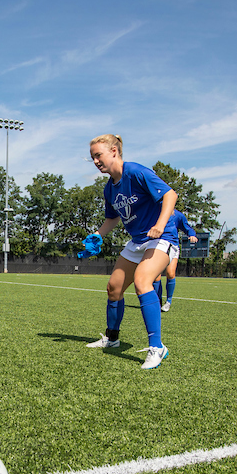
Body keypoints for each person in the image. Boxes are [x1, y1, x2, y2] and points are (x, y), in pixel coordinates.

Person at [83, 135, 179, 369]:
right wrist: (97, 235)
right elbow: (112, 218)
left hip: (161, 237)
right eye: (92, 157)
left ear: (114, 151)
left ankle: (157, 347)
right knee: (113, 288)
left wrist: (160, 223)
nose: (95, 160)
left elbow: (170, 194)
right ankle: (112, 339)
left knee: (142, 281)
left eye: (99, 155)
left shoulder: (135, 171)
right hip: (137, 241)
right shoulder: (109, 189)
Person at [153, 211, 198, 312]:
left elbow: (186, 227)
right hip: (156, 246)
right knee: (156, 276)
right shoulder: (154, 211)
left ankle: (168, 301)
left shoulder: (177, 215)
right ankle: (158, 301)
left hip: (172, 246)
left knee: (170, 273)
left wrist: (191, 235)